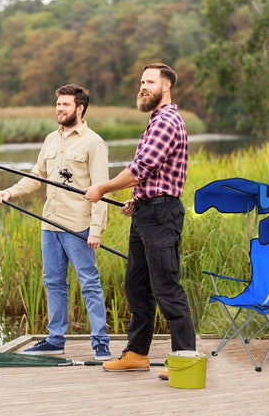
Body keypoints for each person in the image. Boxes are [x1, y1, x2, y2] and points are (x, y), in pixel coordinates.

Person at [84, 63, 196, 375]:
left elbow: (140, 169)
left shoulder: (166, 121)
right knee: (136, 286)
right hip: (148, 211)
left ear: (167, 86)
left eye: (149, 82)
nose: (143, 87)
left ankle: (185, 361)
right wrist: (137, 198)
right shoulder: (155, 120)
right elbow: (150, 177)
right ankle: (136, 353)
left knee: (166, 288)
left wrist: (103, 188)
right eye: (141, 82)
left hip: (162, 215)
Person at [0, 84, 111, 361]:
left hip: (78, 226)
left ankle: (101, 342)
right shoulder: (50, 140)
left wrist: (96, 229)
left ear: (79, 108)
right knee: (54, 282)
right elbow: (36, 176)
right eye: (58, 104)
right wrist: (10, 192)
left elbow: (100, 189)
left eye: (65, 105)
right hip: (50, 223)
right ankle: (55, 339)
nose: (59, 109)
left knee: (89, 283)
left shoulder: (94, 143)